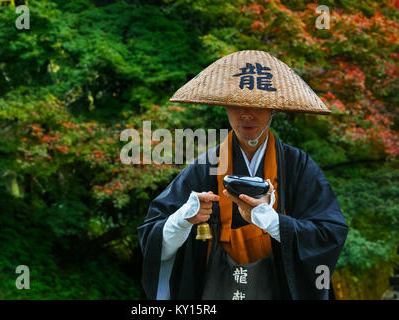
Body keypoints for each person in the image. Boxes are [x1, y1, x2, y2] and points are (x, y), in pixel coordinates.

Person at [137, 50, 348, 300]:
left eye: (257, 105)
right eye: (237, 104)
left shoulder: (297, 165)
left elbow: (330, 234)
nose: (246, 114)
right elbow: (151, 240)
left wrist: (271, 220)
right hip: (214, 284)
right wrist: (183, 219)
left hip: (276, 285)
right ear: (224, 106)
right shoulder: (204, 167)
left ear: (273, 110)